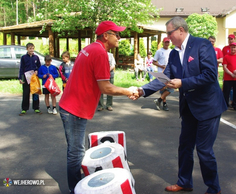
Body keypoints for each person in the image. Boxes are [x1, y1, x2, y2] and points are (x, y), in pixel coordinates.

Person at [138, 16, 226, 194]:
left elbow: (210, 75)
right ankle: (184, 182)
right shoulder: (173, 53)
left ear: (180, 30)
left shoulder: (202, 45)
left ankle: (214, 187)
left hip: (208, 107)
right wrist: (141, 90)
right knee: (185, 146)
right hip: (188, 108)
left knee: (204, 150)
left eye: (169, 33)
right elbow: (165, 77)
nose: (168, 37)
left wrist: (183, 83)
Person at [59, 21, 138, 194]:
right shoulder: (100, 53)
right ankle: (75, 189)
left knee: (76, 150)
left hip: (70, 105)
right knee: (76, 152)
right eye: (116, 34)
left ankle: (76, 186)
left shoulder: (89, 48)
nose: (119, 38)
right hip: (74, 109)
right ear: (105, 35)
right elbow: (106, 88)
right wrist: (128, 91)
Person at [18, 42, 42, 116]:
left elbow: (39, 66)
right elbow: (21, 68)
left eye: (33, 48)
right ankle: (24, 109)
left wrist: (37, 71)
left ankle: (36, 108)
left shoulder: (36, 57)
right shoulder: (24, 57)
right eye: (30, 48)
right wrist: (20, 78)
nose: (32, 50)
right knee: (26, 93)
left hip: (34, 78)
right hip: (26, 77)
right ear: (27, 49)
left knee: (35, 93)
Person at [153, 37, 173, 111]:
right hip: (161, 72)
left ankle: (159, 100)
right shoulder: (159, 51)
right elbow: (154, 61)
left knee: (171, 88)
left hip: (169, 72)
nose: (167, 44)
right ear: (163, 42)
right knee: (162, 88)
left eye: (168, 42)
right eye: (166, 42)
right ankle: (164, 104)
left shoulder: (171, 51)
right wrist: (161, 66)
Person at [222, 42, 236, 111]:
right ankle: (225, 104)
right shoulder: (226, 56)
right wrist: (231, 74)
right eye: (232, 47)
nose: (233, 48)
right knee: (226, 92)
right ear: (230, 48)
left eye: (234, 47)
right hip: (228, 78)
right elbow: (224, 67)